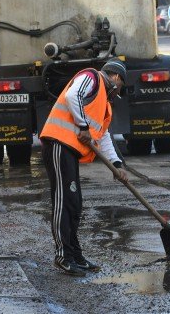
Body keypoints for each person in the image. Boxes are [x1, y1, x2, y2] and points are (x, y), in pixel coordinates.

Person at [40, 57, 129, 276]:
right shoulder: (92, 77)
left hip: (70, 151)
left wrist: (117, 165)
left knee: (74, 204)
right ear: (117, 77)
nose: (118, 92)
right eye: (120, 86)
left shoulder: (105, 106)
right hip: (59, 144)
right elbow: (72, 95)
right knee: (64, 202)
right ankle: (63, 256)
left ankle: (75, 255)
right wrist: (82, 126)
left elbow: (104, 136)